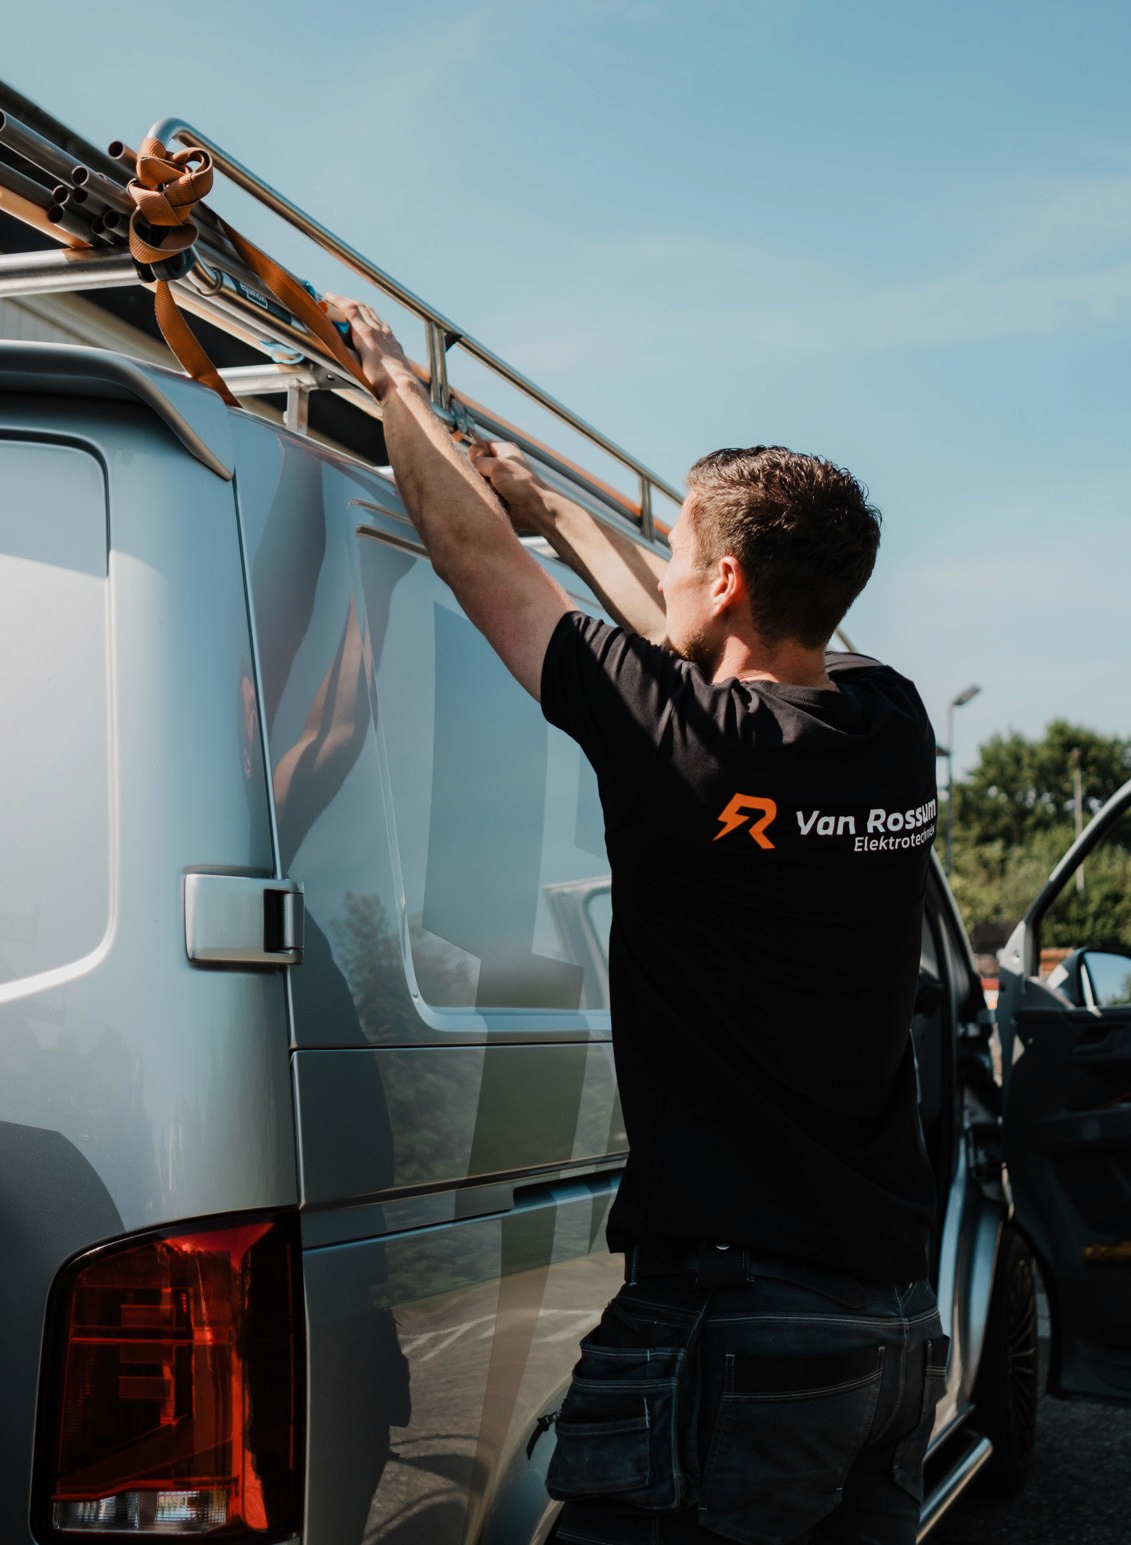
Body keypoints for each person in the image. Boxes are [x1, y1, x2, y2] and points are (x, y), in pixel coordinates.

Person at [324, 293, 946, 1545]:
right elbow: (678, 640)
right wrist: (556, 512)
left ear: (724, 579)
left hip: (733, 1328)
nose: (656, 569)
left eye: (673, 549)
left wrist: (390, 382)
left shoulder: (690, 742)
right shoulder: (890, 723)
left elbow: (472, 560)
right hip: (883, 1332)